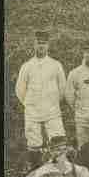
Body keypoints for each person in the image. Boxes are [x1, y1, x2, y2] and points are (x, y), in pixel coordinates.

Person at [16, 31, 67, 167]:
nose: (41, 46)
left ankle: (60, 172)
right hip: (33, 112)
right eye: (39, 43)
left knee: (58, 142)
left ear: (48, 45)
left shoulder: (56, 65)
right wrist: (30, 105)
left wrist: (53, 103)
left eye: (44, 43)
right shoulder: (27, 66)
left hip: (52, 111)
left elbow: (63, 88)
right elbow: (20, 90)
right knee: (34, 145)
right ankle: (36, 174)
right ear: (34, 45)